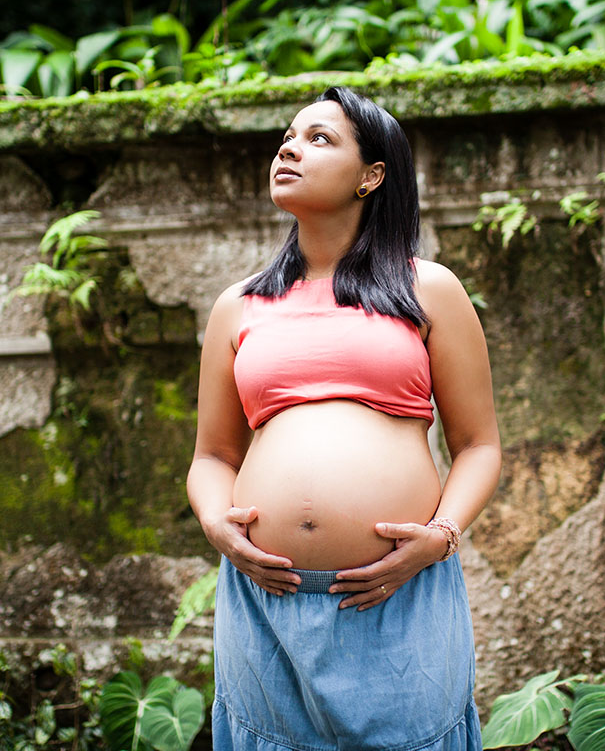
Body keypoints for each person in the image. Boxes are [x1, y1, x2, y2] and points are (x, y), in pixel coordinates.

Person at [186, 85, 501, 750]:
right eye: (288, 136)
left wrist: (440, 536)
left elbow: (479, 445)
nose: (289, 147)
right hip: (266, 603)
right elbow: (213, 456)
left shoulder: (428, 289)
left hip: (398, 596)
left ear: (372, 175)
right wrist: (219, 526)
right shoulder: (237, 307)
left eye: (319, 138)